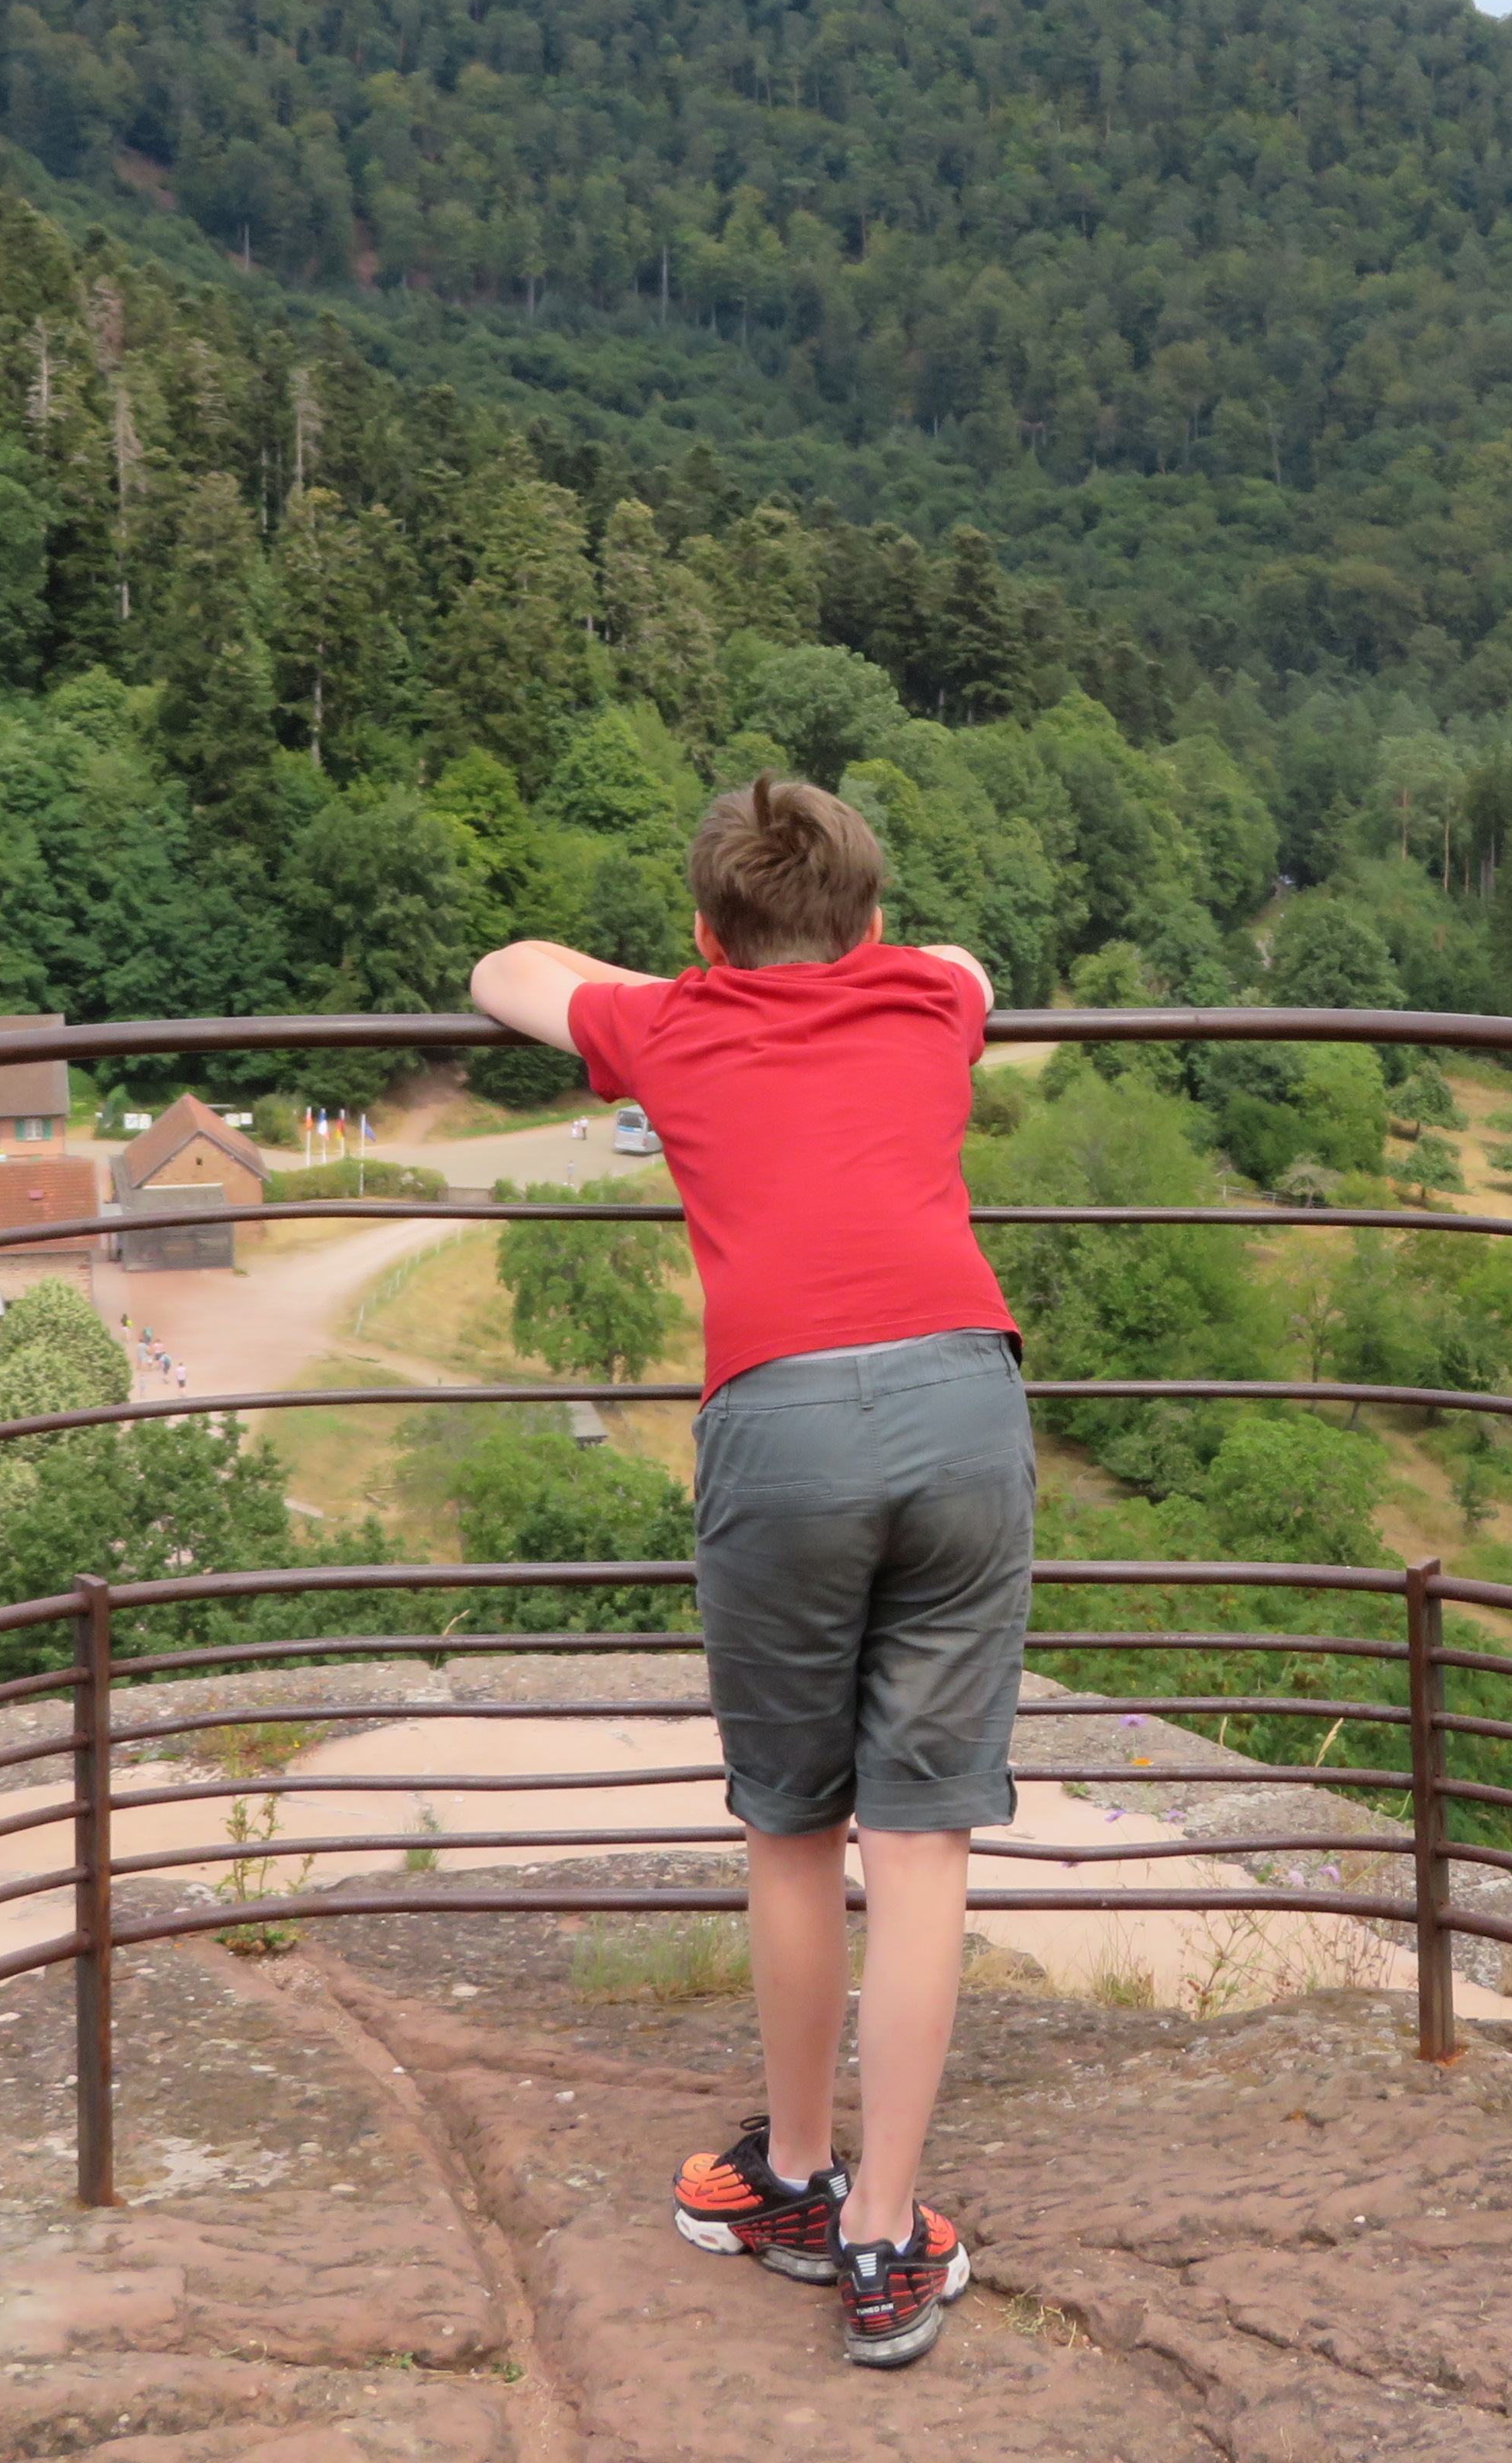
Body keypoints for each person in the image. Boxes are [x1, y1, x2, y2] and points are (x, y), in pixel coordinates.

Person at [469, 774, 1015, 2371]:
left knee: (794, 1828)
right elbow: (970, 964)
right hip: (965, 1400)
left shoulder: (671, 1022)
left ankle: (790, 2175)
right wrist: (870, 954)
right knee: (921, 1841)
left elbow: (505, 969)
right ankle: (885, 2241)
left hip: (781, 1424)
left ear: (706, 932)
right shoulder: (932, 999)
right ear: (874, 917)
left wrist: (679, 982)